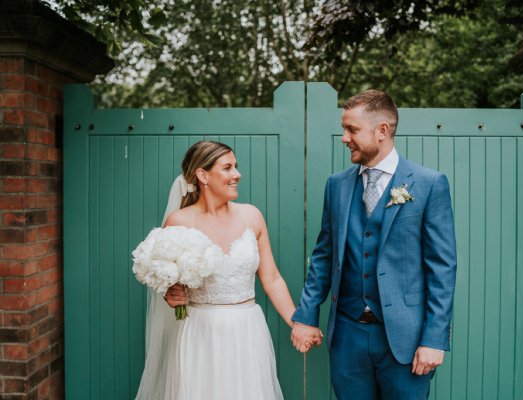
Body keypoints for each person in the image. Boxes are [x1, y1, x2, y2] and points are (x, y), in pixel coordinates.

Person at [290, 90, 457, 399]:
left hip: (405, 339)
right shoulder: (336, 185)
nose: (343, 137)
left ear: (382, 130)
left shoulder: (429, 183)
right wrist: (305, 315)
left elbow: (442, 269)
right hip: (348, 336)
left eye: (352, 129)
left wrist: (434, 339)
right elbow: (324, 256)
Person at [135, 141, 318, 400]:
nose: (237, 174)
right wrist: (171, 294)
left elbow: (272, 279)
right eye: (228, 168)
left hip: (247, 329)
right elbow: (169, 281)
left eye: (236, 167)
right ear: (202, 175)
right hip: (199, 331)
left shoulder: (252, 216)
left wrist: (297, 322)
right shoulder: (179, 222)